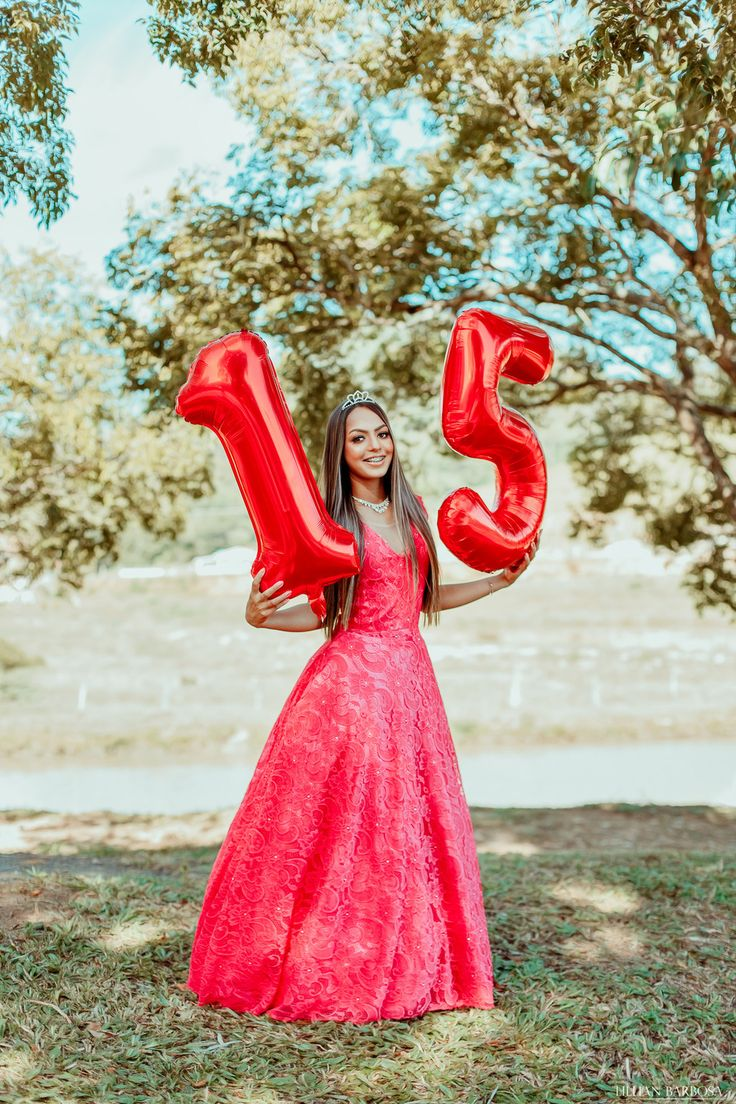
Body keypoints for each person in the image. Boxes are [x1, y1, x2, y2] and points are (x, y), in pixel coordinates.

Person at [186, 390, 539, 1023]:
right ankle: (330, 958)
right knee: (352, 825)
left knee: (409, 823)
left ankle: (408, 952)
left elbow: (423, 599)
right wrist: (259, 619)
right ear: (340, 451)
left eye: (382, 434)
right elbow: (322, 613)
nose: (375, 446)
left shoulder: (412, 509)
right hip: (351, 686)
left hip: (410, 683)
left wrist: (497, 581)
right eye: (359, 438)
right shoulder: (330, 521)